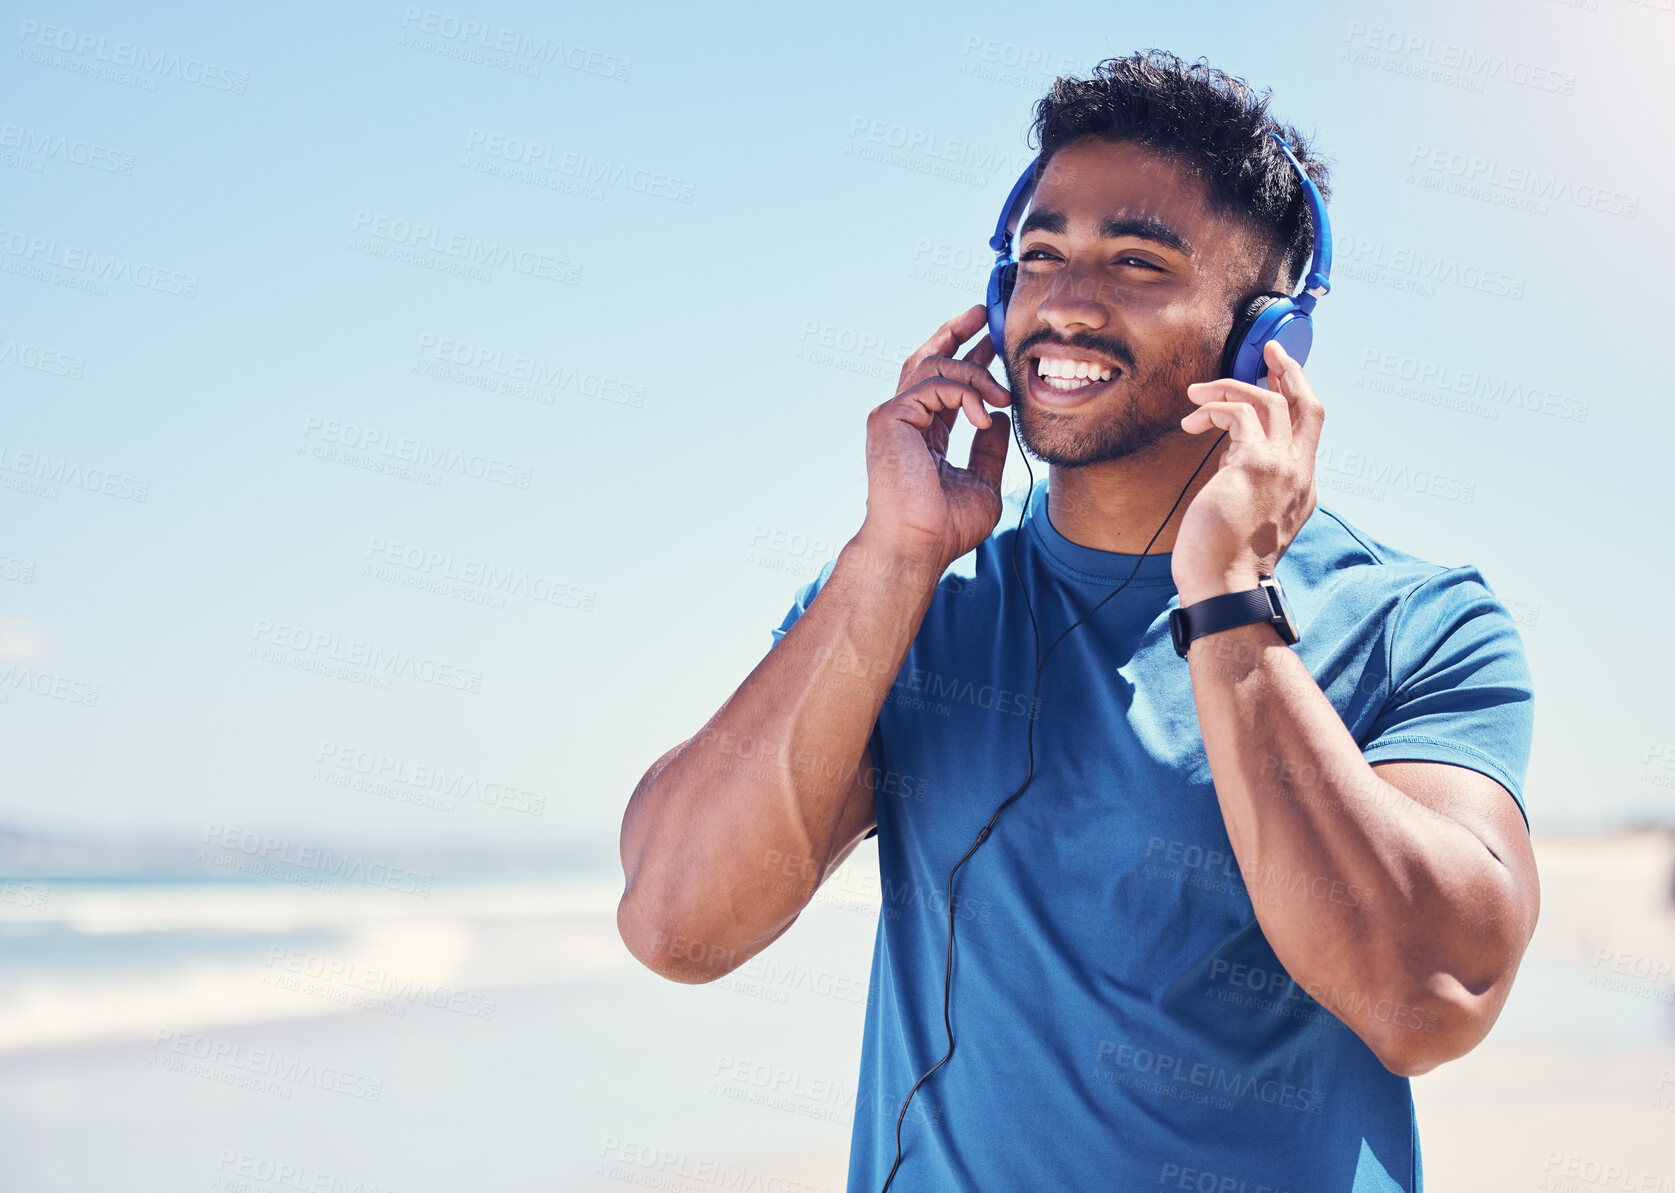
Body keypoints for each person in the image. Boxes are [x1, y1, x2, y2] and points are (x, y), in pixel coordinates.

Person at [616, 50, 1537, 1193]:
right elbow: (675, 925)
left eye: (1138, 262)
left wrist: (1230, 600)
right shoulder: (909, 600)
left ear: (1268, 338)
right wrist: (890, 553)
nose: (1062, 303)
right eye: (1038, 257)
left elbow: (1429, 1001)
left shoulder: (1414, 621)